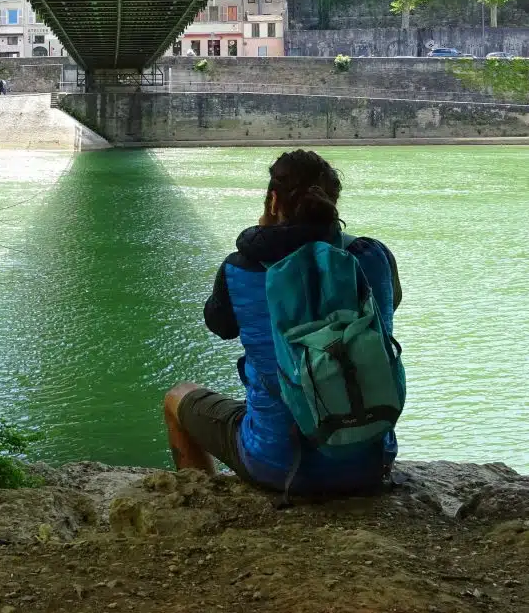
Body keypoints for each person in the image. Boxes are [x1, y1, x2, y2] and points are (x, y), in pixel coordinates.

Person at [164, 149, 403, 499]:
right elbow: (389, 308)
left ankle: (198, 504)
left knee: (177, 397)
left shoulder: (241, 267)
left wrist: (262, 236)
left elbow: (221, 325)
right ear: (332, 201)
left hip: (277, 462)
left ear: (273, 200)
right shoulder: (373, 255)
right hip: (370, 460)